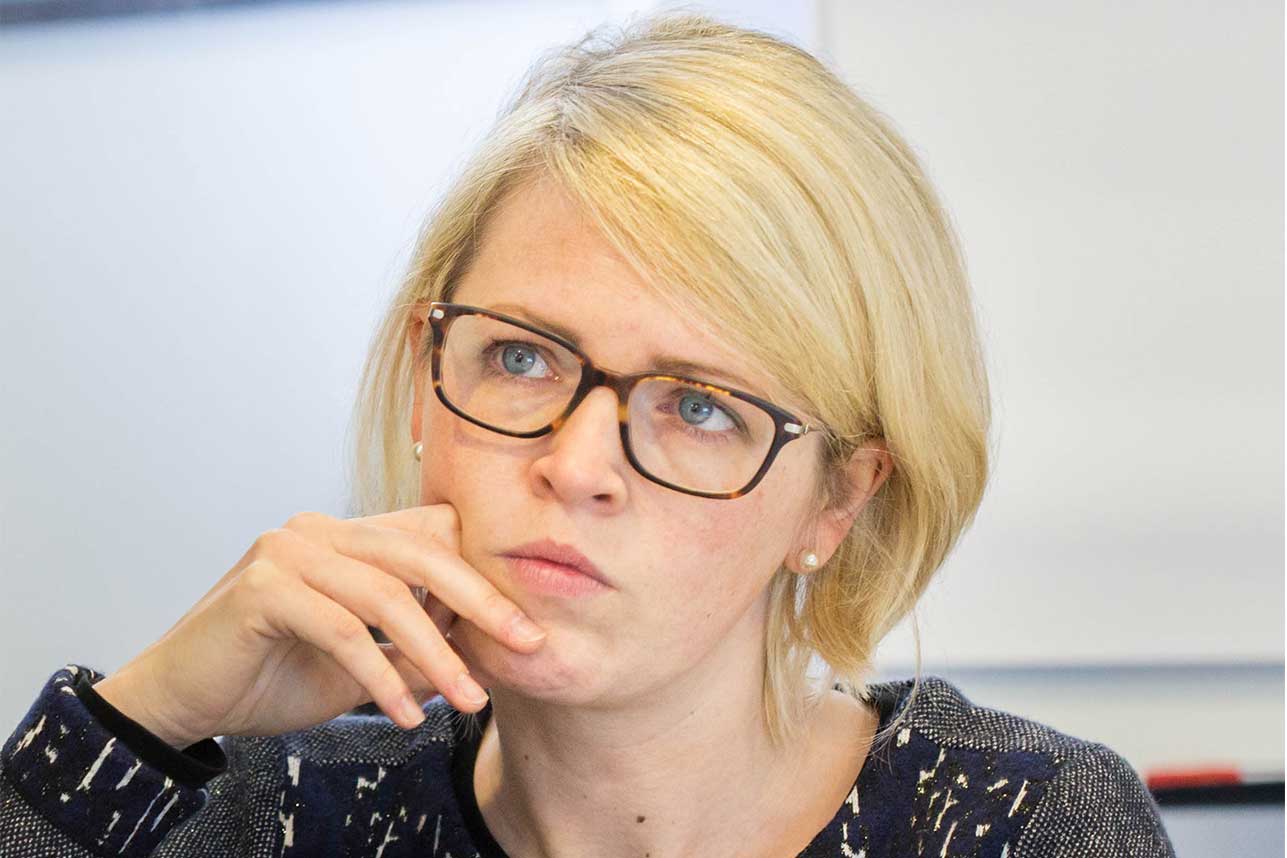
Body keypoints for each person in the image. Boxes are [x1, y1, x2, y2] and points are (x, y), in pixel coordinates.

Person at [0, 11, 1175, 858]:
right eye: (521, 358)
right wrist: (140, 722)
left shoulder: (1031, 824)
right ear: (424, 383)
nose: (574, 466)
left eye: (700, 407)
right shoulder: (278, 809)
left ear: (836, 500)